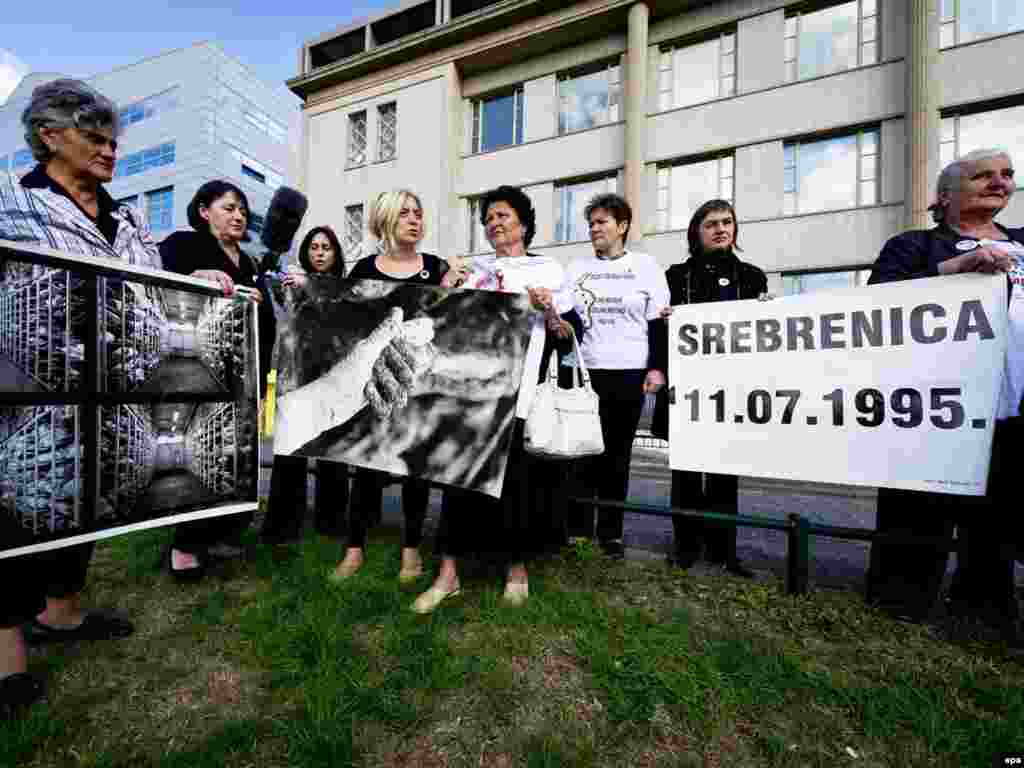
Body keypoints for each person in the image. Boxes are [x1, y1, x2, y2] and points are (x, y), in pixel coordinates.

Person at [0, 78, 154, 717]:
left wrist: (199, 279)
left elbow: (156, 280)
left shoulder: (128, 216)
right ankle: (6, 658)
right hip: (31, 397)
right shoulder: (10, 206)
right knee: (18, 509)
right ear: (49, 136)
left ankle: (62, 614)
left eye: (114, 141)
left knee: (89, 497)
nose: (110, 151)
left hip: (112, 395)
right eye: (96, 138)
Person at [866, 148, 1022, 643]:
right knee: (918, 517)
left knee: (996, 520)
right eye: (983, 175)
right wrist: (958, 269)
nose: (999, 182)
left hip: (1011, 413)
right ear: (945, 195)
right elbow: (876, 305)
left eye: (1007, 174)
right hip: (934, 410)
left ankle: (984, 615)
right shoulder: (914, 246)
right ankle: (897, 615)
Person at [412, 184, 583, 613]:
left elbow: (568, 337)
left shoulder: (548, 270)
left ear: (524, 223)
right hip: (469, 394)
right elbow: (445, 325)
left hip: (520, 394)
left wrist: (550, 312)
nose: (495, 224)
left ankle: (516, 568)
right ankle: (448, 574)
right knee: (457, 480)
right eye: (488, 219)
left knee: (517, 486)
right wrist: (446, 289)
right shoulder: (475, 272)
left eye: (503, 216)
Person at [329, 189, 463, 584]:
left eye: (418, 213)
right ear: (386, 219)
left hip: (419, 383)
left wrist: (452, 287)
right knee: (366, 467)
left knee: (415, 469)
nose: (414, 219)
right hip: (374, 383)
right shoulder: (365, 268)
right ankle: (353, 550)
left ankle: (411, 551)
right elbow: (347, 322)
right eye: (404, 213)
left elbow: (448, 322)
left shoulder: (437, 267)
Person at [159, 180, 273, 579]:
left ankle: (222, 533)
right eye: (229, 207)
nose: (239, 215)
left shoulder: (252, 264)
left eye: (242, 209)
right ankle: (184, 546)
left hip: (244, 376)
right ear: (204, 210)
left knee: (236, 458)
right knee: (201, 456)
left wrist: (261, 304)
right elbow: (159, 283)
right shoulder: (183, 244)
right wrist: (194, 275)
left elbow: (265, 325)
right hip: (198, 372)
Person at [651, 200, 765, 577]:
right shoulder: (675, 277)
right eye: (711, 223)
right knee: (685, 474)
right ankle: (684, 549)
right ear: (695, 232)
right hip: (686, 391)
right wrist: (666, 327)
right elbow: (656, 330)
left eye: (727, 222)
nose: (721, 229)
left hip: (732, 391)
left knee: (724, 475)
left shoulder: (752, 277)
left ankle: (723, 552)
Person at [564, 193, 670, 558]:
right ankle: (578, 530)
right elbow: (570, 320)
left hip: (628, 373)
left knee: (616, 456)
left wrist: (657, 367)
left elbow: (657, 321)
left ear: (622, 226)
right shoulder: (575, 269)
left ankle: (611, 535)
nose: (594, 228)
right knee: (581, 454)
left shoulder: (646, 266)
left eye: (602, 222)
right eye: (591, 223)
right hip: (585, 372)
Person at [261, 226, 351, 546]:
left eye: (326, 247)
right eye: (314, 247)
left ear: (336, 253)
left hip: (333, 378)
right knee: (290, 452)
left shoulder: (345, 286)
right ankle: (282, 524)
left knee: (333, 453)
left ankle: (332, 522)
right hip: (296, 376)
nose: (319, 252)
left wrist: (309, 285)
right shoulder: (290, 283)